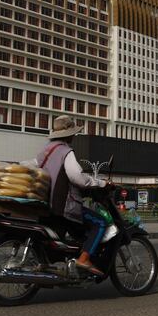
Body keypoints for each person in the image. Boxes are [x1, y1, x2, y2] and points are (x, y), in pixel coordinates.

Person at [29, 115, 109, 276]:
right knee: (100, 222)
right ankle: (84, 259)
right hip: (62, 206)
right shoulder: (66, 151)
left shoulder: (45, 151)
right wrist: (101, 183)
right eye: (73, 132)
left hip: (45, 205)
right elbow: (77, 177)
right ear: (69, 134)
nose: (74, 135)